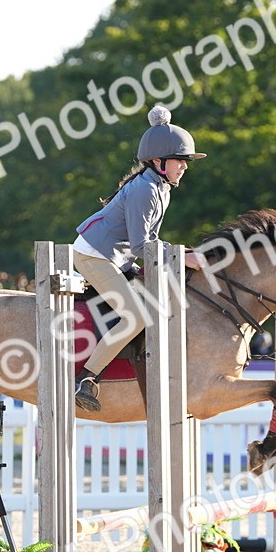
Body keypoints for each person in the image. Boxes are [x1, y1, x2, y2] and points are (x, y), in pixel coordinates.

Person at [72, 105, 207, 412]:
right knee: (134, 315)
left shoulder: (162, 188)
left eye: (186, 161)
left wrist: (182, 253)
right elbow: (140, 246)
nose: (185, 166)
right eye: (181, 160)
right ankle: (87, 378)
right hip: (94, 253)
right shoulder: (145, 190)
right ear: (159, 161)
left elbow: (151, 241)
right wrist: (182, 258)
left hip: (116, 255)